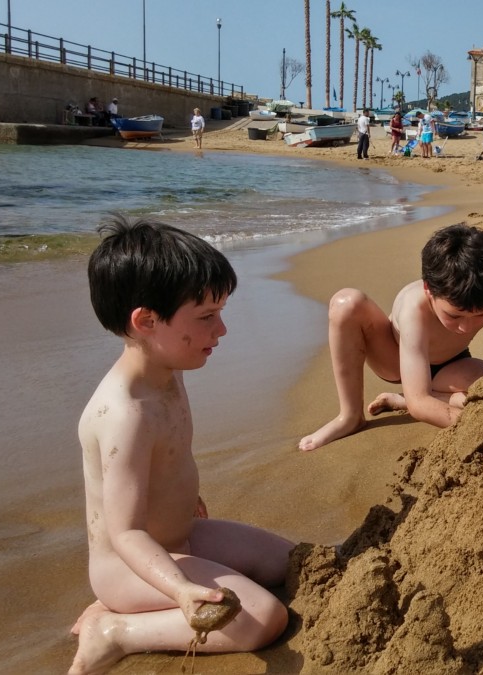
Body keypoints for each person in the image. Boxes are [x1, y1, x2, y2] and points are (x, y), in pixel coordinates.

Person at [69, 216, 292, 674]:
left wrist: (186, 496)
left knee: (289, 561)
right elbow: (126, 533)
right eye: (207, 317)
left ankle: (140, 606)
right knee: (263, 618)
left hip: (179, 534)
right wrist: (180, 589)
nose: (222, 330)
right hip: (126, 567)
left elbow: (168, 459)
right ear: (147, 321)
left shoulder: (167, 372)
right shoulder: (126, 414)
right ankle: (115, 630)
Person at [298, 224, 483, 451]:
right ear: (429, 290)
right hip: (395, 357)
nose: (466, 328)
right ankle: (350, 416)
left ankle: (401, 400)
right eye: (454, 316)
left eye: (479, 316)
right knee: (346, 302)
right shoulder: (415, 307)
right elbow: (420, 404)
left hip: (451, 365)